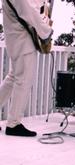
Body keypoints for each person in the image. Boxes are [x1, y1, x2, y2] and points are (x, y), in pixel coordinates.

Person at [0, 0, 53, 136]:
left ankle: (13, 122)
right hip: (22, 40)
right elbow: (30, 13)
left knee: (13, 78)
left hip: (16, 38)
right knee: (23, 81)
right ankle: (13, 124)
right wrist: (47, 32)